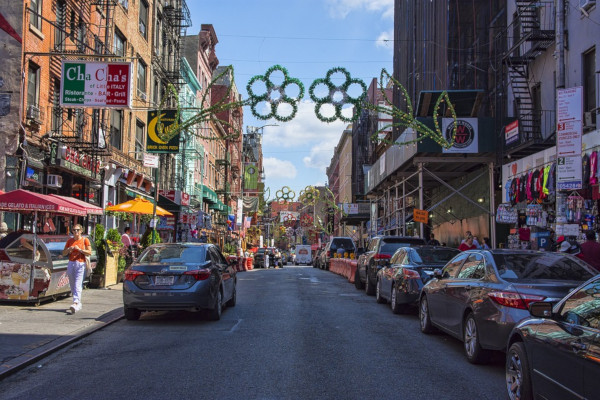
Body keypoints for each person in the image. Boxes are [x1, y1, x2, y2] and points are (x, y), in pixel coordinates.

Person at [62, 224, 91, 314]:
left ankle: (76, 302)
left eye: (77, 230)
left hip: (81, 263)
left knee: (78, 283)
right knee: (72, 283)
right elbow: (63, 253)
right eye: (74, 230)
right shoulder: (70, 241)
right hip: (71, 262)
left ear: (81, 231)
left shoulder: (85, 240)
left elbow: (89, 252)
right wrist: (69, 249)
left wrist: (80, 250)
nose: (76, 232)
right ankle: (78, 302)